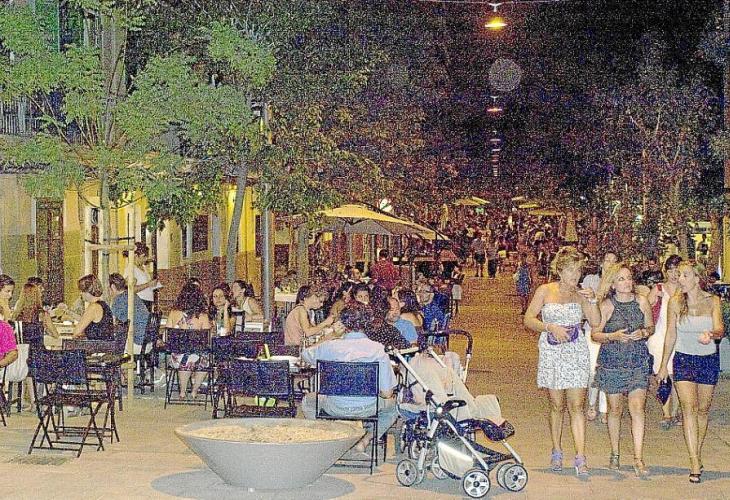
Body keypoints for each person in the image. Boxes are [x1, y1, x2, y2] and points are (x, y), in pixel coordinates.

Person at [523, 246, 600, 476]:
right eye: (570, 270)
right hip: (552, 353)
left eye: (578, 270)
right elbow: (528, 319)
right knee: (557, 405)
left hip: (576, 352)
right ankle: (556, 450)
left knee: (577, 406)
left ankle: (580, 456)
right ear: (560, 270)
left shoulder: (582, 294)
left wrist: (593, 300)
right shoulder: (545, 291)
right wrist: (549, 327)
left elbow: (595, 322)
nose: (575, 275)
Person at [657, 262, 724, 483]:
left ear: (697, 278)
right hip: (684, 359)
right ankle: (694, 461)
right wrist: (663, 365)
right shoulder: (675, 302)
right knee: (689, 409)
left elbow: (720, 329)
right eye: (679, 275)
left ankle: (698, 452)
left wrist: (711, 334)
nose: (680, 279)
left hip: (708, 360)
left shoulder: (713, 301)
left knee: (702, 410)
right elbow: (670, 335)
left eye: (685, 275)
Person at [301, 303, 398, 449]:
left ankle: (328, 437)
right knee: (394, 407)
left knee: (307, 401)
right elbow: (387, 393)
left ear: (343, 323)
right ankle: (365, 440)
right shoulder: (378, 350)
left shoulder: (331, 347)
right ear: (368, 322)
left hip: (334, 406)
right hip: (368, 408)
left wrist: (332, 335)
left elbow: (305, 354)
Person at [591, 264, 654, 476]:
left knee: (637, 408)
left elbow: (651, 326)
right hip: (613, 363)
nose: (627, 282)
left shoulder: (641, 301)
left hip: (637, 360)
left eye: (628, 278)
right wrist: (613, 336)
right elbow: (595, 334)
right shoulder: (607, 305)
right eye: (621, 279)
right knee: (615, 410)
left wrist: (644, 332)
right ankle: (615, 453)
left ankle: (638, 458)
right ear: (613, 284)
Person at [581, 251, 619, 424]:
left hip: (610, 333)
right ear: (602, 263)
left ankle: (604, 408)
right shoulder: (591, 280)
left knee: (607, 370)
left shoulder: (617, 284)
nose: (610, 263)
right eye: (607, 260)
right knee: (592, 371)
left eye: (613, 261)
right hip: (592, 330)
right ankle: (591, 404)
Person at [647, 254, 682, 430]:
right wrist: (654, 301)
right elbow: (645, 309)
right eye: (671, 270)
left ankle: (675, 411)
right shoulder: (659, 288)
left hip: (680, 337)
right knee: (663, 374)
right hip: (660, 337)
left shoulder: (685, 289)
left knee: (678, 376)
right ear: (665, 271)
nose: (674, 274)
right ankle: (666, 412)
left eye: (677, 270)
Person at [167, 282, 212, 400]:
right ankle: (194, 391)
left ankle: (182, 392)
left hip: (177, 357)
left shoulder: (173, 313)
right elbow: (207, 338)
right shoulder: (203, 316)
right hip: (197, 356)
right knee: (204, 361)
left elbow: (167, 335)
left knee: (184, 358)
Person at [108, 273, 151, 354]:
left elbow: (110, 323)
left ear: (113, 287)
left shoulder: (118, 300)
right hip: (148, 343)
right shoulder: (132, 295)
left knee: (109, 348)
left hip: (137, 344)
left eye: (108, 288)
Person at [72, 274, 114, 340]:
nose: (81, 294)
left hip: (97, 345)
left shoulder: (93, 307)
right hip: (104, 344)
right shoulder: (103, 305)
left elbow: (76, 332)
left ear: (88, 291)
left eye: (82, 291)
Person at [124, 242, 158, 311]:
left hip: (147, 301)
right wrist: (148, 284)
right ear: (136, 256)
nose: (145, 259)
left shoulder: (143, 267)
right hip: (139, 302)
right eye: (143, 257)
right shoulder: (131, 269)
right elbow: (130, 289)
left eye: (146, 257)